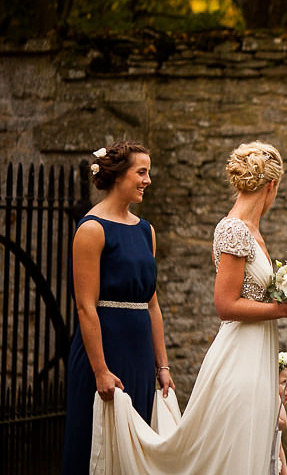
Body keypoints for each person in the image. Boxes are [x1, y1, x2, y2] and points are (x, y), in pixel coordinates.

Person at [88, 141, 287, 474]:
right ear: (271, 185)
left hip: (258, 350)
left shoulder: (252, 230)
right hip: (239, 354)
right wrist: (284, 310)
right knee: (234, 445)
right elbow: (225, 305)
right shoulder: (234, 229)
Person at [62, 140, 176, 475]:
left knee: (137, 450)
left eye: (148, 172)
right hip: (104, 351)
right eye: (141, 172)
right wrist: (100, 370)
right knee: (95, 439)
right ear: (118, 176)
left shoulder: (146, 230)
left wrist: (163, 366)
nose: (148, 180)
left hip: (140, 355)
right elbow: (85, 307)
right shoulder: (91, 229)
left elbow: (152, 304)